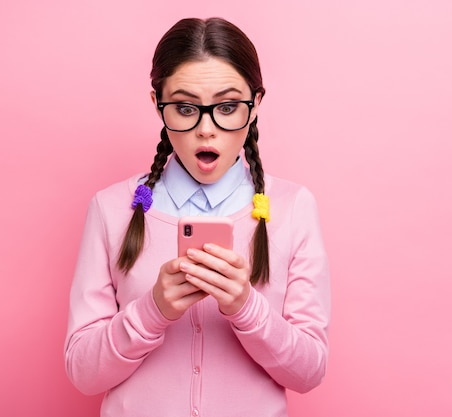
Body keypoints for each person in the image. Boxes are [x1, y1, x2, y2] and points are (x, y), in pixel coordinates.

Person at [64, 17, 330, 417]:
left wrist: (246, 307)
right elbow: (83, 374)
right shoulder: (110, 208)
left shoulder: (293, 207)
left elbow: (309, 372)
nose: (206, 130)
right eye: (186, 108)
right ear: (157, 104)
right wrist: (152, 310)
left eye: (227, 107)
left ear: (255, 105)